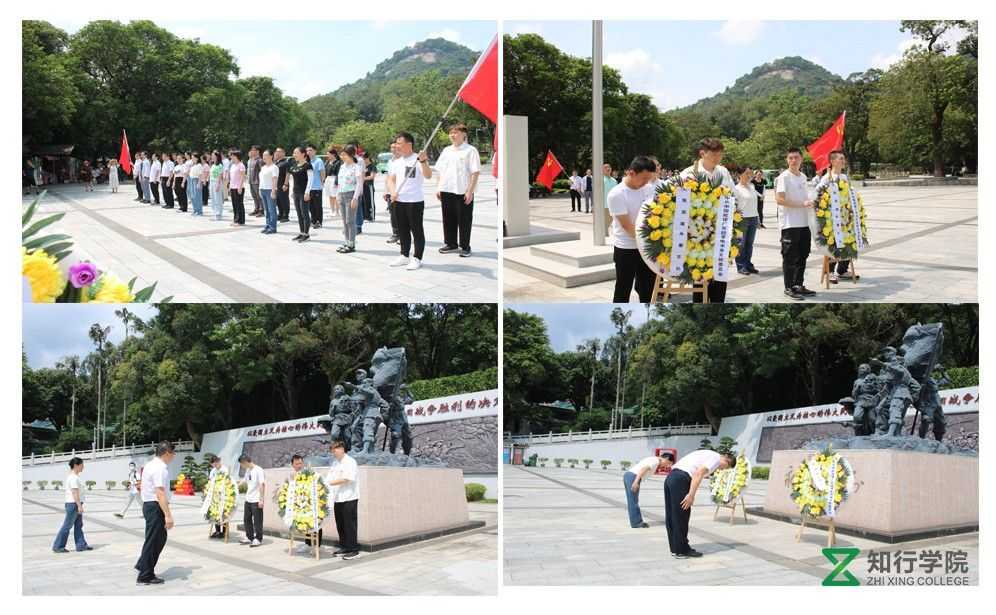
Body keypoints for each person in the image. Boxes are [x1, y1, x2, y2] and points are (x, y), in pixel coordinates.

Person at [680, 138, 735, 303]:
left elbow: (732, 195)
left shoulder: (723, 171)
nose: (718, 158)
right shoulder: (689, 173)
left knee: (720, 271)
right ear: (702, 153)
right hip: (698, 233)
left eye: (720, 154)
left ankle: (719, 301)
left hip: (721, 229)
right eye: (714, 154)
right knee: (701, 275)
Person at [664, 449, 735, 559]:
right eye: (725, 467)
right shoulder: (715, 458)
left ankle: (676, 548)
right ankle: (681, 550)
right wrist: (691, 495)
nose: (722, 469)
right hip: (681, 479)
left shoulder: (708, 454)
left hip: (671, 477)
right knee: (681, 515)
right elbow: (698, 474)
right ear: (726, 460)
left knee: (672, 515)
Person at [608, 156, 658, 303]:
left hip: (647, 249)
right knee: (623, 290)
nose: (645, 183)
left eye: (648, 179)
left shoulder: (648, 189)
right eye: (643, 178)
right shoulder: (616, 194)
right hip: (626, 248)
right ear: (631, 173)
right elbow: (627, 226)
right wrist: (648, 241)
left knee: (648, 289)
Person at [386, 132, 432, 271]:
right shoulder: (397, 161)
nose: (396, 146)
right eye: (396, 143)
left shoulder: (417, 159)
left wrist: (423, 162)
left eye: (399, 143)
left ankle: (417, 258)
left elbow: (428, 175)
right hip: (399, 200)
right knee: (403, 230)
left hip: (414, 201)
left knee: (416, 230)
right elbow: (391, 179)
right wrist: (393, 192)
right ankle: (404, 255)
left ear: (409, 144)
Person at [776, 147, 816, 300]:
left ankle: (798, 284)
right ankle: (789, 287)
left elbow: (806, 197)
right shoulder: (783, 177)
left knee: (803, 254)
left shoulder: (803, 176)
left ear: (801, 159)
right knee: (790, 257)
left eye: (796, 158)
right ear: (787, 160)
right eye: (790, 158)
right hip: (790, 224)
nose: (793, 161)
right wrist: (802, 204)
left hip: (804, 223)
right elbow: (779, 199)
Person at [436, 123, 482, 258]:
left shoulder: (470, 150)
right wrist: (439, 187)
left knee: (464, 219)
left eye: (456, 133)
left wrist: (470, 191)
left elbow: (475, 172)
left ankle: (465, 246)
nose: (452, 135)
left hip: (463, 191)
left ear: (464, 135)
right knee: (448, 218)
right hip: (446, 189)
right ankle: (451, 243)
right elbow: (440, 171)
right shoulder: (446, 150)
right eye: (451, 133)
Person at [135, 441, 176, 585]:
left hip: (149, 505)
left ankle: (143, 564)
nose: (174, 456)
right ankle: (145, 575)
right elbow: (160, 493)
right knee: (154, 540)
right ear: (166, 453)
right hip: (155, 506)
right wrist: (168, 515)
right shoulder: (160, 468)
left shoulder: (150, 464)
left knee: (157, 538)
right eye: (172, 453)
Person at [815, 150, 856, 283]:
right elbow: (818, 195)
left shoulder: (844, 177)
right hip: (832, 218)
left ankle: (842, 270)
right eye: (840, 159)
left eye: (844, 159)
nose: (843, 161)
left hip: (845, 217)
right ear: (832, 161)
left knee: (848, 242)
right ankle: (830, 272)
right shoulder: (827, 177)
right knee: (834, 244)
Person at [325, 440, 360, 560]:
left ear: (342, 449)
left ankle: (353, 549)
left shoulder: (350, 462)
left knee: (350, 524)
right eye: (332, 450)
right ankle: (344, 546)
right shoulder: (335, 463)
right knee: (340, 524)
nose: (333, 452)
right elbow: (329, 477)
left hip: (349, 497)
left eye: (335, 450)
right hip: (337, 498)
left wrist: (329, 483)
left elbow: (347, 478)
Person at [623, 453, 674, 528]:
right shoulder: (655, 461)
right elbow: (643, 469)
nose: (667, 466)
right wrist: (636, 481)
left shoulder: (653, 459)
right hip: (633, 477)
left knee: (632, 500)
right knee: (633, 501)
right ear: (666, 459)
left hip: (630, 476)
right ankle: (637, 523)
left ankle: (635, 522)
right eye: (669, 463)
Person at [52, 457, 92, 553]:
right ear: (76, 465)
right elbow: (75, 492)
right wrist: (79, 506)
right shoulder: (73, 478)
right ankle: (58, 546)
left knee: (78, 525)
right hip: (73, 504)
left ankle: (81, 545)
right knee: (67, 526)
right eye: (82, 465)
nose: (83, 467)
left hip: (75, 504)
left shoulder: (75, 476)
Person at [290, 454, 322, 552]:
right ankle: (308, 544)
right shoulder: (292, 475)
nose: (299, 465)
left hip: (312, 503)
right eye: (297, 464)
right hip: (300, 504)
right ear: (292, 465)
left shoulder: (309, 473)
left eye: (300, 463)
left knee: (316, 524)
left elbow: (318, 484)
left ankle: (317, 546)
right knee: (305, 524)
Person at [732, 165, 760, 275]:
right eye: (747, 173)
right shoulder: (736, 189)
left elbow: (755, 204)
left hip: (753, 218)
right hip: (742, 219)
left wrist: (757, 218)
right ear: (740, 175)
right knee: (741, 244)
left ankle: (748, 264)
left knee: (749, 243)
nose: (749, 175)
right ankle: (741, 266)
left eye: (750, 173)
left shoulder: (752, 186)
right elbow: (734, 205)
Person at [336, 145, 363, 253]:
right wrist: (338, 195)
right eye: (341, 155)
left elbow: (359, 184)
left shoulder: (356, 167)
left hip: (351, 195)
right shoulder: (342, 167)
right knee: (344, 221)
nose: (342, 157)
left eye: (344, 155)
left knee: (350, 221)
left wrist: (355, 198)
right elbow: (340, 182)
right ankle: (346, 242)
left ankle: (351, 244)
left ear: (351, 155)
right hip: (341, 195)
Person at [286, 147, 314, 242]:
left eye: (296, 153)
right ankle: (301, 232)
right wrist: (293, 192)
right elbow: (291, 177)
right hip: (296, 192)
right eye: (293, 153)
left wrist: (307, 192)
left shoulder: (308, 165)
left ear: (303, 154)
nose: (294, 155)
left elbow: (310, 180)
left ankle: (306, 234)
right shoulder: (294, 165)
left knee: (304, 213)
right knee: (299, 213)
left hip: (304, 193)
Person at [237, 454, 265, 547]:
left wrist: (261, 499)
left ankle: (258, 539)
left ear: (245, 462)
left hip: (256, 499)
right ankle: (249, 537)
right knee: (247, 519)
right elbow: (244, 480)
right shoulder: (248, 470)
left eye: (242, 464)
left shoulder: (259, 470)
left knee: (257, 521)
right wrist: (235, 486)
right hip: (248, 499)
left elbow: (262, 484)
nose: (242, 466)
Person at [206, 454, 230, 539]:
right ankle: (217, 531)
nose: (215, 466)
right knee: (215, 513)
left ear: (218, 461)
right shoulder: (213, 471)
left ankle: (224, 532)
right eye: (213, 465)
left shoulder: (224, 469)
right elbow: (210, 480)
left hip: (223, 494)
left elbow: (226, 481)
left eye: (216, 464)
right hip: (214, 495)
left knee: (223, 513)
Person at [258, 149, 279, 234]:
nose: (264, 157)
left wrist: (273, 191)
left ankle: (273, 227)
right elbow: (261, 179)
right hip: (263, 189)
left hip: (270, 190)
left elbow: (274, 180)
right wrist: (260, 189)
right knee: (266, 210)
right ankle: (267, 225)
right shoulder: (263, 167)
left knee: (272, 210)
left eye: (266, 155)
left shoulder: (274, 167)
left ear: (271, 156)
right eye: (263, 156)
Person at [384, 142, 401, 244]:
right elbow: (388, 177)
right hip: (391, 191)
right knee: (393, 214)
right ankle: (395, 234)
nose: (393, 149)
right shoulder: (390, 161)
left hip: (401, 191)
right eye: (391, 147)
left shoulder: (403, 160)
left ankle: (404, 234)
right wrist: (386, 191)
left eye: (395, 147)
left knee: (402, 214)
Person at [306, 145, 325, 228]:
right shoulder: (307, 161)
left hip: (317, 187)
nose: (308, 152)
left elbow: (322, 173)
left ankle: (319, 221)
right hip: (309, 187)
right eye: (307, 151)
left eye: (310, 150)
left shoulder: (318, 161)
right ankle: (313, 220)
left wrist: (321, 183)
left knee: (318, 205)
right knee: (311, 206)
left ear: (315, 151)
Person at [228, 150, 247, 226]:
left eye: (232, 155)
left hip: (239, 187)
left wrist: (240, 187)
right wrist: (230, 186)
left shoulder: (241, 165)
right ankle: (236, 219)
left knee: (239, 204)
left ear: (236, 156)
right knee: (234, 204)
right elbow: (231, 177)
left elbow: (243, 176)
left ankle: (241, 221)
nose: (231, 157)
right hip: (233, 187)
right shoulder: (233, 165)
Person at [274, 147, 291, 222]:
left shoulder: (286, 162)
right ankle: (280, 214)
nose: (277, 153)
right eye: (276, 151)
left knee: (284, 200)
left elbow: (288, 174)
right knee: (278, 200)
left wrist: (286, 184)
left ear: (283, 153)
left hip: (283, 184)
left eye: (279, 151)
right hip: (276, 184)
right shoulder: (276, 162)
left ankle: (285, 215)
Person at [601, 163, 618, 238]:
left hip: (613, 204)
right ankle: (604, 233)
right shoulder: (601, 180)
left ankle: (604, 231)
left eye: (609, 167)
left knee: (611, 219)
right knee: (605, 219)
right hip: (604, 204)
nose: (608, 169)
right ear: (602, 170)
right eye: (606, 167)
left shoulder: (614, 180)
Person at [246, 145, 263, 217]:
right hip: (251, 181)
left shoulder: (260, 160)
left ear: (257, 151)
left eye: (253, 150)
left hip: (257, 181)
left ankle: (261, 210)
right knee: (254, 196)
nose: (251, 151)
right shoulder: (251, 160)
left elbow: (262, 171)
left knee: (259, 196)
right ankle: (256, 208)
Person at [324, 148, 341, 220]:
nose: (328, 156)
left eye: (329, 154)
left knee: (335, 196)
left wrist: (336, 182)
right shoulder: (327, 162)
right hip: (328, 179)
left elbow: (338, 173)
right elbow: (325, 171)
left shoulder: (338, 162)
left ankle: (337, 211)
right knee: (330, 195)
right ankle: (332, 210)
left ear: (333, 154)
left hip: (334, 179)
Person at [209, 151, 225, 221]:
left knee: (218, 199)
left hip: (217, 182)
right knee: (213, 198)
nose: (212, 157)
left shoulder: (220, 165)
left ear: (217, 157)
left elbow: (220, 176)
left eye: (213, 156)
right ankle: (215, 213)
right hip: (212, 182)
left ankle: (219, 214)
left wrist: (218, 185)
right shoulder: (212, 165)